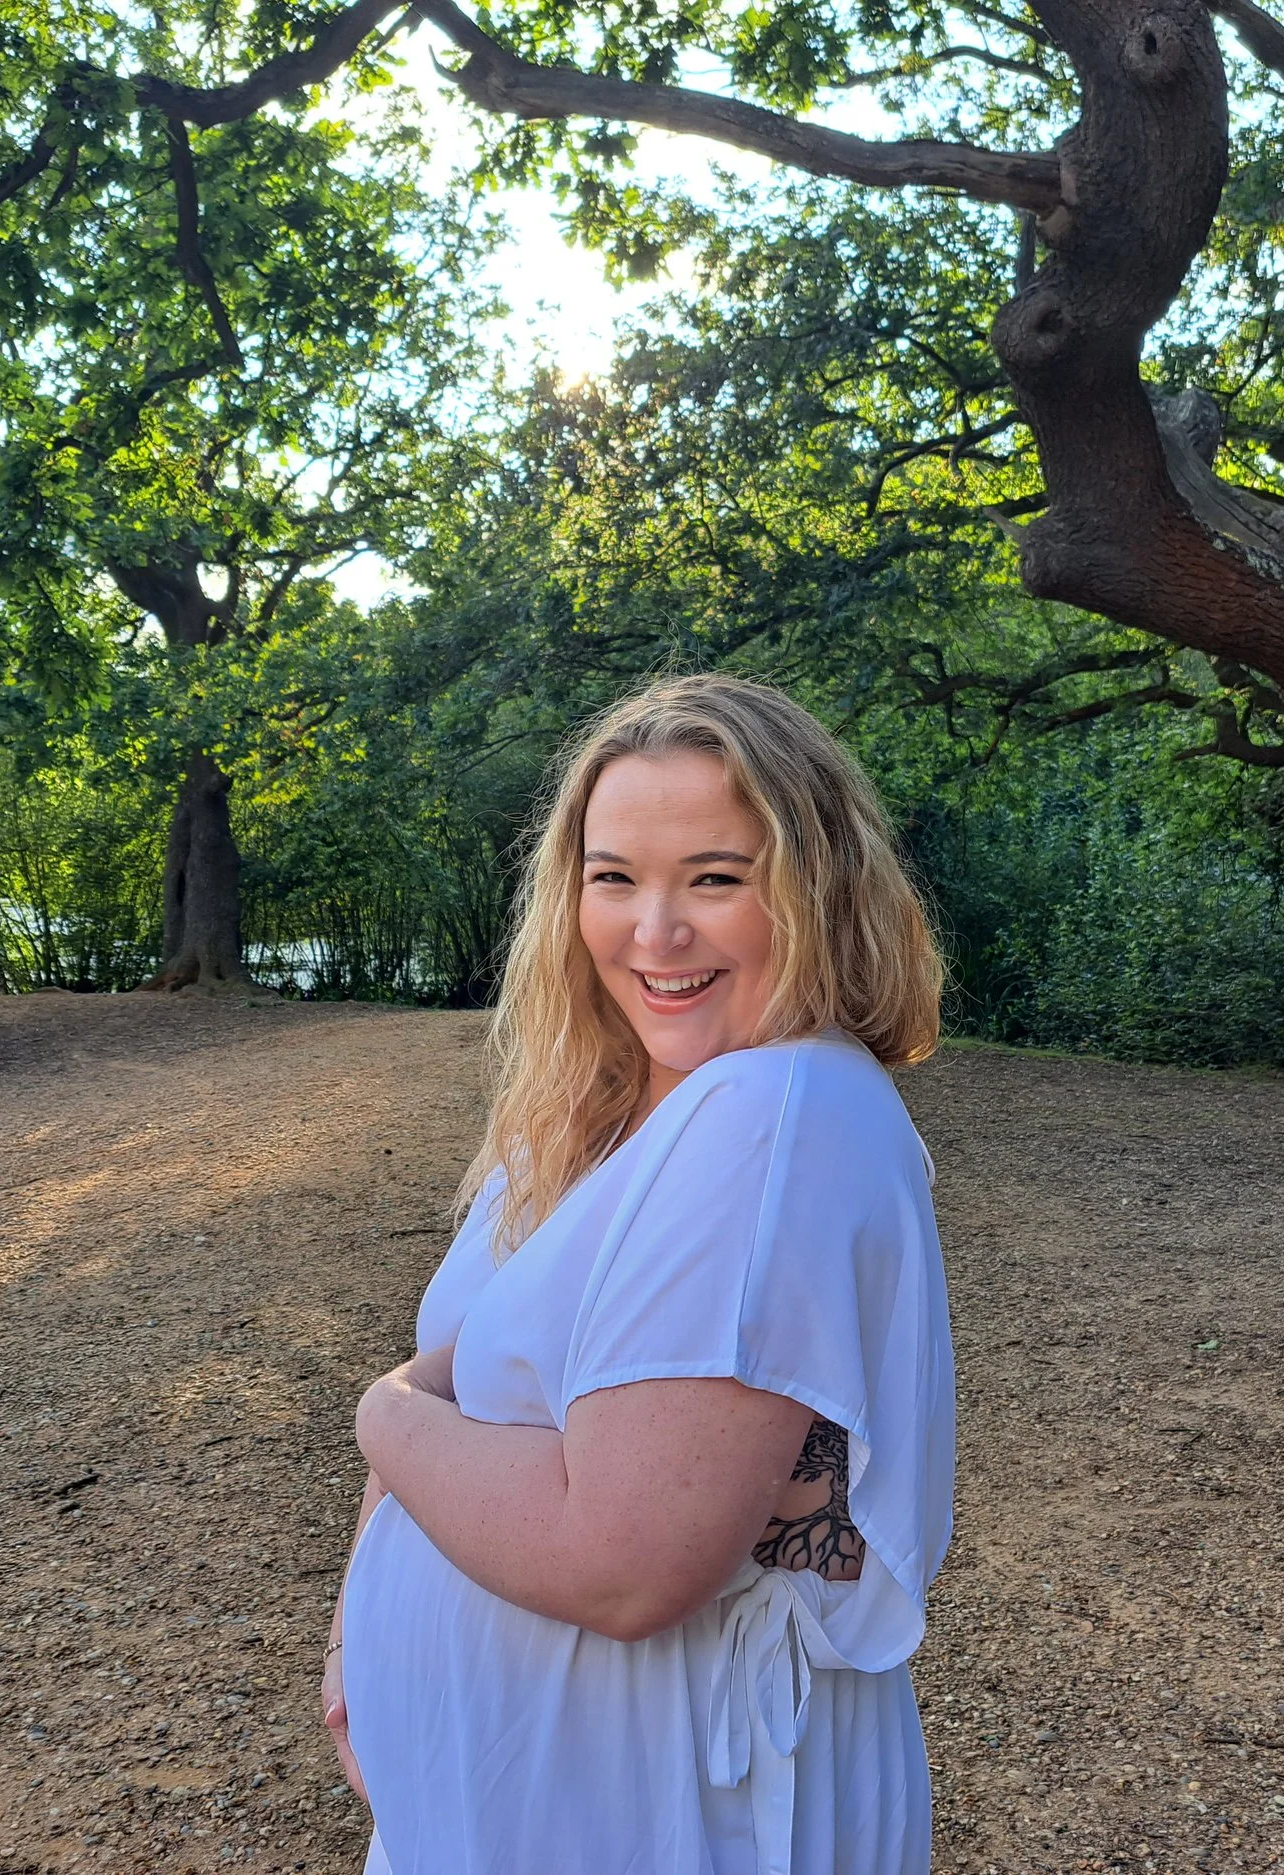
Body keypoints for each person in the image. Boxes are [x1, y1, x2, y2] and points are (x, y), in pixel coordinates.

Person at [326, 673, 956, 1875]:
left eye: (715, 878)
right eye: (613, 877)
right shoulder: (591, 1116)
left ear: (817, 891)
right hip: (511, 1801)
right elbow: (475, 1378)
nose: (653, 931)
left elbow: (619, 1560)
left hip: (671, 1807)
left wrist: (377, 1412)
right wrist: (360, 1630)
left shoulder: (777, 1116)